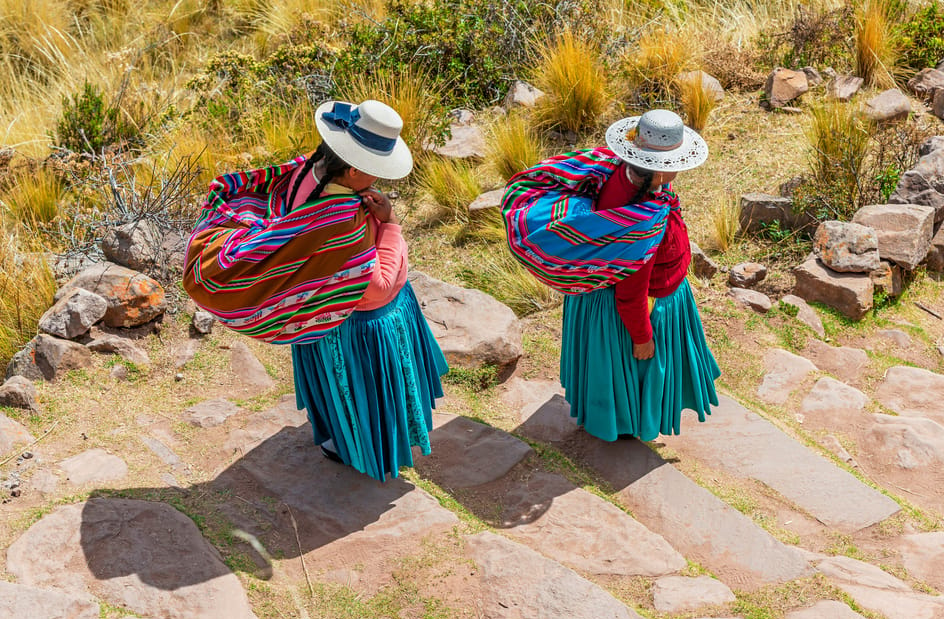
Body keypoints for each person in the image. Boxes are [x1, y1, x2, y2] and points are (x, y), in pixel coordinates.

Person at [184, 99, 447, 482]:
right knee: (367, 396)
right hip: (359, 327)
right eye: (374, 172)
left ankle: (337, 437)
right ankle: (372, 448)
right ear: (355, 168)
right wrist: (391, 227)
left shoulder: (307, 168)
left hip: (318, 313)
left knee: (339, 392)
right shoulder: (344, 220)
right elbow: (377, 288)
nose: (379, 181)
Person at [501, 109, 719, 442]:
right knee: (633, 367)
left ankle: (616, 417)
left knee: (609, 369)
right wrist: (643, 336)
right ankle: (627, 425)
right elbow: (631, 293)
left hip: (600, 297)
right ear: (664, 168)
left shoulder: (616, 169)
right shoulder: (639, 223)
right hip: (631, 308)